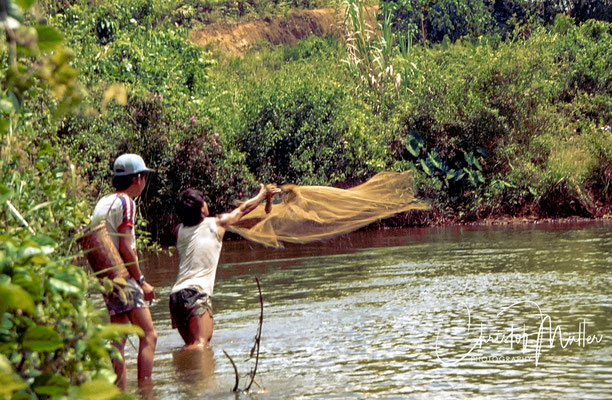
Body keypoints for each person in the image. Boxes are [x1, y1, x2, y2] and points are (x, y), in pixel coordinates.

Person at [170, 184, 280, 349]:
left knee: (191, 346)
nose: (206, 204)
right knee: (200, 345)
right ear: (201, 210)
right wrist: (262, 194)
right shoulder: (216, 224)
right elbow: (243, 210)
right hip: (195, 293)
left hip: (176, 297)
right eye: (204, 202)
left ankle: (185, 374)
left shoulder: (178, 230)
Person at [90, 153, 158, 389]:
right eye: (144, 177)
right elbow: (126, 247)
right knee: (149, 335)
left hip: (106, 277)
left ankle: (119, 391)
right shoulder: (126, 203)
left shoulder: (102, 203)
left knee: (118, 337)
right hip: (124, 276)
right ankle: (146, 390)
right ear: (137, 178)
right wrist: (141, 281)